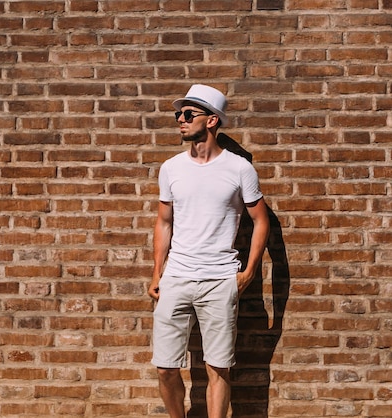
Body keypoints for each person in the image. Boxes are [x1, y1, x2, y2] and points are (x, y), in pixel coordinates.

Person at [149, 84, 270, 418]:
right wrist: (157, 271)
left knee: (219, 367)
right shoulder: (171, 168)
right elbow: (163, 222)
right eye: (178, 114)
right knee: (165, 366)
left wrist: (248, 272)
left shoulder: (239, 169)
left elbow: (261, 221)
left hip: (220, 279)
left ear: (213, 121)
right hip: (176, 278)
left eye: (189, 114)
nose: (181, 120)